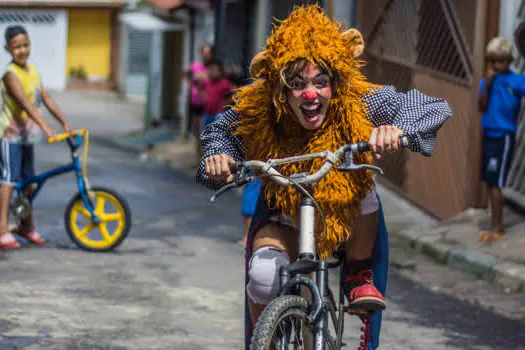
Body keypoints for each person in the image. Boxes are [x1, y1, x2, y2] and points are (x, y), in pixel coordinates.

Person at [196, 5, 451, 349]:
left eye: (321, 82)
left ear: (336, 83)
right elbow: (222, 132)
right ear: (280, 88)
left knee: (363, 190)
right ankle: (266, 341)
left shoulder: (359, 101)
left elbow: (432, 107)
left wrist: (396, 129)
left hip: (345, 217)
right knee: (261, 278)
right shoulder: (262, 109)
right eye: (297, 84)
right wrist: (219, 156)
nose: (311, 95)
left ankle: (357, 274)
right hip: (283, 218)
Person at [0, 25, 72, 249]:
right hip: (10, 136)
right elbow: (26, 105)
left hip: (26, 138)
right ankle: (2, 229)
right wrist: (47, 128)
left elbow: (46, 98)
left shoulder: (32, 71)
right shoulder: (10, 74)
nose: (22, 50)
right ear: (8, 49)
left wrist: (64, 122)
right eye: (17, 46)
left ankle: (26, 226)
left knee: (28, 184)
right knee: (9, 181)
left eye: (25, 45)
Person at [478, 37, 525, 243]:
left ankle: (498, 227)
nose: (497, 65)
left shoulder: (518, 81)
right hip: (488, 134)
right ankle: (494, 225)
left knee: (496, 183)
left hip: (504, 137)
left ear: (511, 60)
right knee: (489, 181)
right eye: (493, 61)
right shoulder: (487, 81)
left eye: (501, 61)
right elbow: (481, 107)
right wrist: (487, 85)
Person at [184, 43, 215, 157]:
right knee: (197, 132)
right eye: (204, 53)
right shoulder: (196, 66)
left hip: (208, 103)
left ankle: (206, 157)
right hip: (196, 102)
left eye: (209, 53)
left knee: (206, 132)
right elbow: (186, 73)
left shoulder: (213, 68)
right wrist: (192, 86)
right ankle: (199, 158)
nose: (206, 55)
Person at [200, 59, 236, 129]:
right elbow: (200, 88)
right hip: (207, 113)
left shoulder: (224, 83)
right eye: (211, 70)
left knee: (216, 133)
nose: (213, 72)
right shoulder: (207, 82)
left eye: (215, 70)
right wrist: (204, 97)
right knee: (205, 133)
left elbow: (235, 90)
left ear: (220, 71)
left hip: (218, 114)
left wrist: (227, 102)